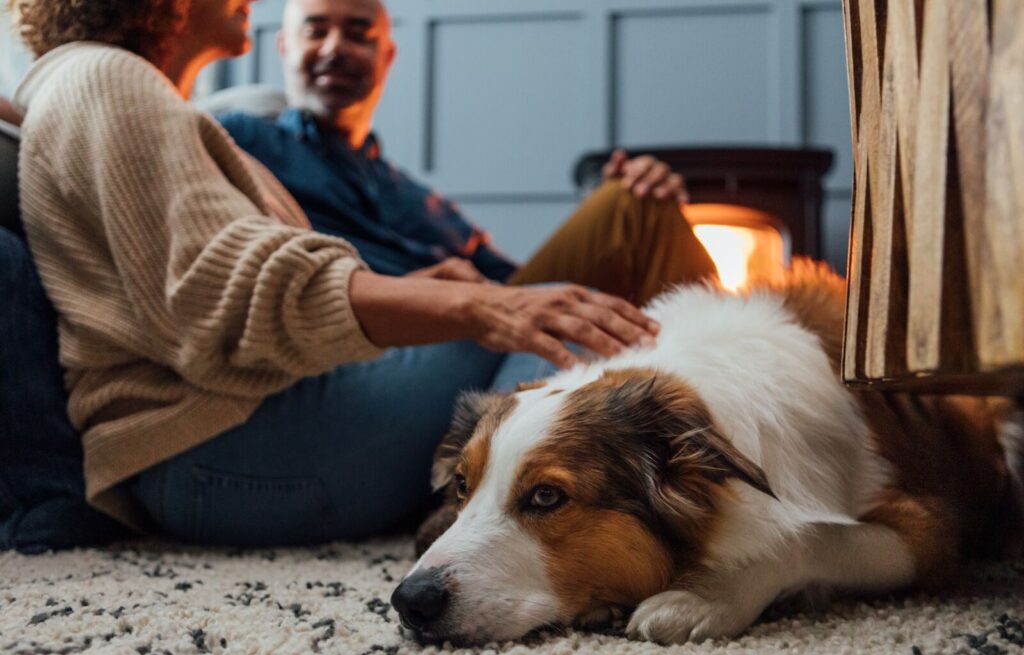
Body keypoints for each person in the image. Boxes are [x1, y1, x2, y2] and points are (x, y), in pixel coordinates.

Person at [9, 0, 716, 547]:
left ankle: (532, 497)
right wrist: (481, 310)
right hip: (217, 451)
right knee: (525, 326)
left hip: (227, 447)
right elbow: (219, 292)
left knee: (534, 312)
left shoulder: (123, 93)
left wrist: (462, 294)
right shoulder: (106, 79)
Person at [218, 0, 717, 307]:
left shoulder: (417, 197)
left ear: (386, 56)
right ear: (283, 47)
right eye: (315, 29)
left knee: (637, 197)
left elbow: (520, 283)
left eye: (357, 32)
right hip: (398, 330)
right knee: (631, 208)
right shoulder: (244, 140)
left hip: (490, 315)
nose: (334, 47)